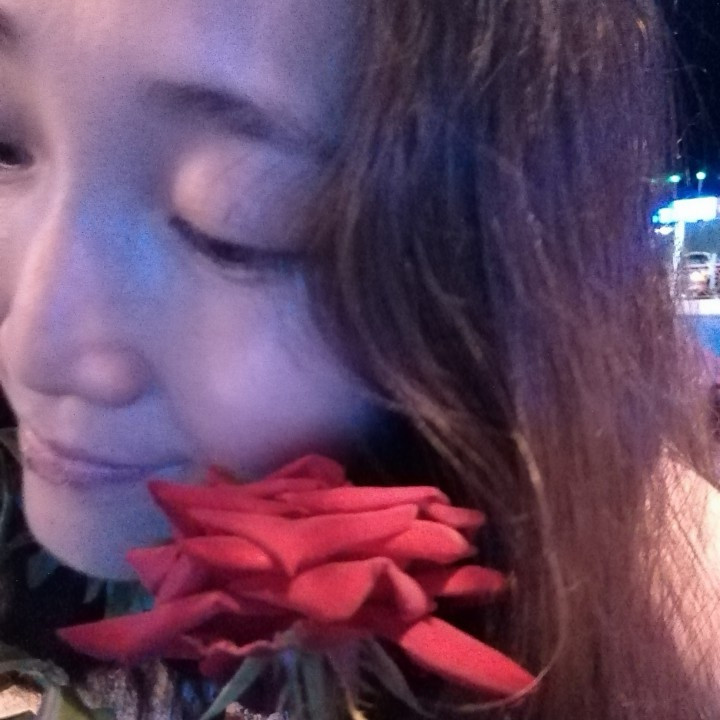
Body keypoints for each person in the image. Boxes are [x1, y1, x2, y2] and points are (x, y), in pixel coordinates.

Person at [0, 1, 718, 718]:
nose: (31, 351)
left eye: (230, 221)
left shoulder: (647, 619)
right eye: (4, 145)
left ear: (480, 282)